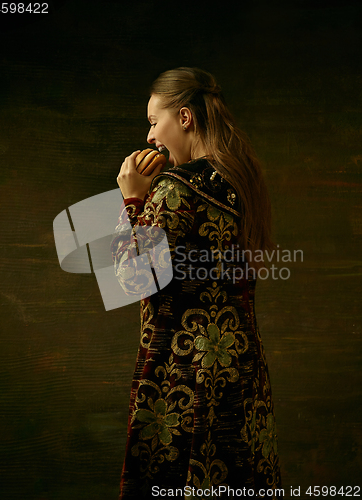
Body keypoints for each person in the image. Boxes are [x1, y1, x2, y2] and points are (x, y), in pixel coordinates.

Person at [111, 67, 281, 499]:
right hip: (242, 372)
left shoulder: (176, 187)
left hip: (186, 376)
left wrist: (131, 198)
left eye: (154, 122)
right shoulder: (242, 182)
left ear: (184, 117)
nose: (150, 138)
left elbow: (129, 280)